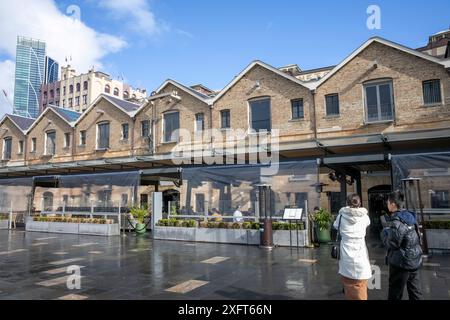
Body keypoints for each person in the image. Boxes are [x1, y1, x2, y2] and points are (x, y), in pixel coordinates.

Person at [381, 190, 423, 300]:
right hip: (414, 260)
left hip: (401, 263)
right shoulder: (410, 216)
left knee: (395, 294)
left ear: (393, 204)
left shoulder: (397, 221)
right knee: (415, 292)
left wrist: (384, 233)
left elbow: (392, 244)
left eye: (388, 202)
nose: (387, 204)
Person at [333, 194, 372, 300]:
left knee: (348, 281)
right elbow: (368, 223)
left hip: (346, 249)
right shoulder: (364, 216)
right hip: (360, 250)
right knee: (361, 281)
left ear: (347, 203)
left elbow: (335, 226)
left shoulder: (341, 215)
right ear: (359, 203)